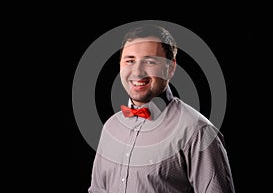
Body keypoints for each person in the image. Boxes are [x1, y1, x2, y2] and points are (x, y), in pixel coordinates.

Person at [88, 23, 235, 193]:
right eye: (130, 60)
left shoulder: (197, 132)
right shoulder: (110, 127)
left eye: (150, 61)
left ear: (170, 68)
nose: (137, 71)